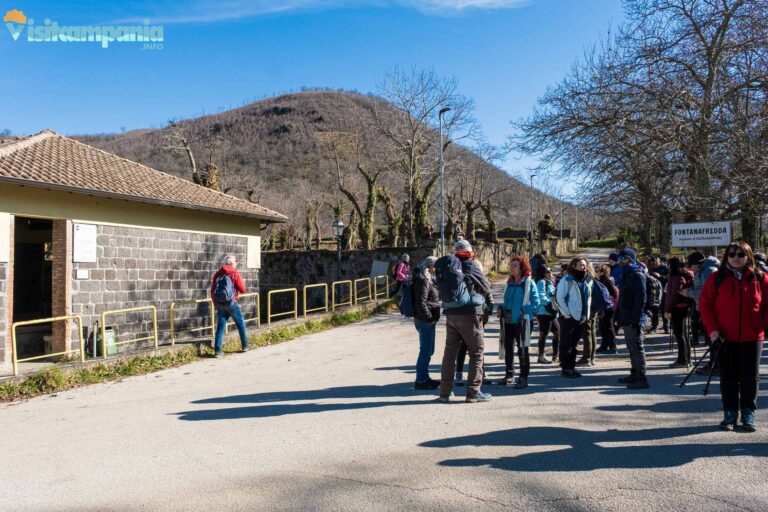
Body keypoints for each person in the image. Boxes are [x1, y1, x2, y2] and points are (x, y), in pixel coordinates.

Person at [699, 241, 768, 432]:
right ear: (726, 257)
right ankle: (729, 412)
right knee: (728, 377)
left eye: (740, 254)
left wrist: (761, 326)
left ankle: (748, 412)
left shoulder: (761, 278)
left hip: (753, 337)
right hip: (724, 337)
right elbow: (705, 305)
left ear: (748, 256)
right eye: (732, 254)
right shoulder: (716, 279)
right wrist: (713, 329)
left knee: (750, 377)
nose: (736, 258)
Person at [439, 239, 493, 403]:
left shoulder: (449, 266)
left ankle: (445, 393)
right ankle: (473, 393)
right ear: (469, 251)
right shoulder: (470, 265)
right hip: (470, 314)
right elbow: (486, 286)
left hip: (451, 314)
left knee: (449, 354)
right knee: (476, 353)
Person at [498, 256, 540, 389]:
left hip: (523, 322)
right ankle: (509, 374)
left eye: (515, 265)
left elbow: (536, 303)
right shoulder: (509, 282)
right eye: (511, 265)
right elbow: (507, 301)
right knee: (508, 348)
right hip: (509, 321)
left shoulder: (528, 282)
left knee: (522, 349)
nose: (511, 268)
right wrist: (502, 309)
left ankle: (523, 377)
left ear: (522, 268)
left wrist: (524, 310)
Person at [615, 248, 649, 389]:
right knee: (631, 347)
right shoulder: (626, 274)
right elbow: (623, 298)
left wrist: (635, 319)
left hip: (635, 319)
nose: (619, 261)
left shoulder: (636, 275)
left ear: (630, 259)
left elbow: (641, 299)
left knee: (637, 348)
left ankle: (642, 378)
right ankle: (634, 373)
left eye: (622, 259)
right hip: (627, 317)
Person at [555, 257, 593, 378]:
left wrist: (586, 315)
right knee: (567, 343)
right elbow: (559, 298)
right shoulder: (567, 279)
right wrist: (567, 313)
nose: (583, 267)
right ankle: (565, 368)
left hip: (581, 317)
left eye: (584, 265)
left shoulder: (586, 280)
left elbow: (588, 299)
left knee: (575, 343)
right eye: (581, 265)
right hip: (569, 317)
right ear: (574, 266)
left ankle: (572, 366)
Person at [210, 255, 251, 358]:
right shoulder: (234, 274)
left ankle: (218, 351)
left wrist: (215, 303)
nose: (236, 264)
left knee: (220, 327)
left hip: (220, 304)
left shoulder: (217, 274)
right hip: (232, 304)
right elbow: (243, 290)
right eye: (235, 262)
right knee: (240, 323)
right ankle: (245, 345)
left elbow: (212, 290)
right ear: (231, 263)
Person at [412, 256, 441, 390]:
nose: (437, 269)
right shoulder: (424, 281)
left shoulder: (428, 280)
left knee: (429, 350)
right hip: (425, 321)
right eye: (435, 266)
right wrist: (429, 318)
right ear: (430, 267)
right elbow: (421, 302)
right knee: (425, 351)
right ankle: (421, 380)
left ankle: (424, 376)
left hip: (425, 320)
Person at [664, 257, 694, 368]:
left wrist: (667, 309)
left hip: (678, 308)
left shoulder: (677, 277)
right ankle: (686, 359)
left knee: (680, 334)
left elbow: (675, 295)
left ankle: (683, 360)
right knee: (684, 334)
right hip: (683, 308)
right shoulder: (681, 275)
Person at [535, 265, 560, 363]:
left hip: (552, 313)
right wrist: (550, 304)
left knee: (557, 333)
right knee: (544, 334)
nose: (550, 273)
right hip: (544, 313)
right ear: (543, 273)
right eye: (547, 272)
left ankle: (555, 356)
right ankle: (541, 356)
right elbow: (540, 296)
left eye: (550, 271)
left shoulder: (551, 283)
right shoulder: (542, 282)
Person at [595, 264, 618, 354]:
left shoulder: (607, 281)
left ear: (604, 272)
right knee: (602, 327)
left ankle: (613, 347)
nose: (596, 273)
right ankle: (604, 346)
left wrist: (606, 298)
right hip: (602, 307)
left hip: (609, 307)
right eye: (596, 271)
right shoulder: (599, 280)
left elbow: (614, 294)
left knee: (609, 327)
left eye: (599, 271)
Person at [648, 256, 670, 333]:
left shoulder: (665, 268)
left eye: (657, 262)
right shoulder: (651, 269)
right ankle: (654, 326)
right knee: (655, 310)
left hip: (664, 291)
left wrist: (660, 276)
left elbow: (668, 279)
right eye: (653, 263)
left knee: (664, 309)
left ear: (659, 261)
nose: (655, 264)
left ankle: (666, 327)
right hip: (654, 292)